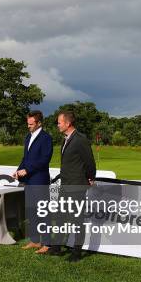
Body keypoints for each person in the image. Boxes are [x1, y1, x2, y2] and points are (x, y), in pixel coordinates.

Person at [36, 110, 96, 262]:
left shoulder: (80, 139)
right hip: (65, 184)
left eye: (59, 122)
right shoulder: (65, 139)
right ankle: (57, 248)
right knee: (62, 218)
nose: (57, 125)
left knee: (76, 220)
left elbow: (90, 162)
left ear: (68, 123)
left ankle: (76, 253)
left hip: (76, 186)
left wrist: (90, 177)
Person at [12, 110, 53, 251]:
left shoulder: (46, 138)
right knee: (32, 212)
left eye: (31, 124)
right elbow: (26, 158)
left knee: (43, 212)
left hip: (40, 180)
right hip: (29, 181)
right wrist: (18, 171)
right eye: (27, 123)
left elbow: (44, 160)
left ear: (39, 123)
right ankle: (35, 241)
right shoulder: (28, 137)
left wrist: (27, 170)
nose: (28, 126)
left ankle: (47, 244)